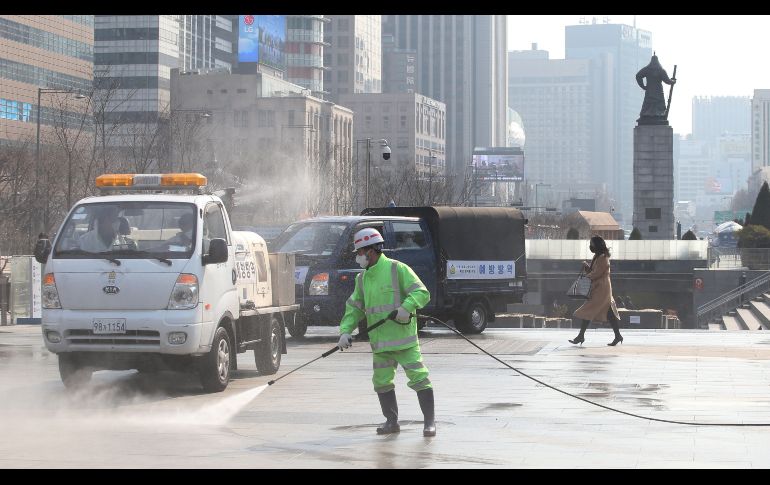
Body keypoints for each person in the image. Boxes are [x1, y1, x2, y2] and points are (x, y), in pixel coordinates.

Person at [337, 227, 434, 436]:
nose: (358, 257)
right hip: (380, 343)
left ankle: (429, 422)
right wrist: (345, 331)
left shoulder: (397, 269)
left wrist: (406, 307)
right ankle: (391, 421)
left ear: (370, 251)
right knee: (381, 383)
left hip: (404, 341)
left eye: (359, 253)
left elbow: (422, 292)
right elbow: (354, 307)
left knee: (419, 378)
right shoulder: (362, 279)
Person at [569, 235, 623, 346]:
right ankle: (618, 336)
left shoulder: (603, 257)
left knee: (589, 309)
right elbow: (594, 271)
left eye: (592, 244)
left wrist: (586, 277)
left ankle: (580, 336)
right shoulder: (597, 256)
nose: (590, 246)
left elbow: (597, 273)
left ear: (597, 245)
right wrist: (587, 267)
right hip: (599, 288)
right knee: (609, 313)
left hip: (601, 289)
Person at [635, 53, 675, 121]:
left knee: (648, 104)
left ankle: (646, 116)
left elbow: (638, 76)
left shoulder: (647, 69)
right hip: (658, 92)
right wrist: (673, 81)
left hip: (650, 91)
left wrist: (643, 86)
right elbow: (667, 81)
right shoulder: (661, 70)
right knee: (656, 104)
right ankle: (657, 116)